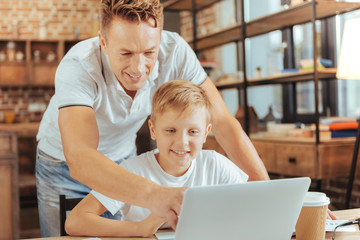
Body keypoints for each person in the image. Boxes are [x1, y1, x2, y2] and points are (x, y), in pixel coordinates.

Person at [35, 0, 269, 237]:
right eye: (126, 53)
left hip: (122, 159)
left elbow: (223, 121)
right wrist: (154, 194)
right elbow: (80, 156)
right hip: (62, 165)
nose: (138, 67)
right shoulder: (79, 66)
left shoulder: (175, 51)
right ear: (103, 42)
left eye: (149, 52)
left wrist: (269, 196)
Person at [64, 80, 249, 237]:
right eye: (170, 131)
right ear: (153, 130)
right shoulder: (132, 170)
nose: (182, 142)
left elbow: (250, 207)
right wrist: (140, 227)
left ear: (206, 133)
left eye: (193, 132)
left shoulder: (216, 165)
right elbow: (75, 221)